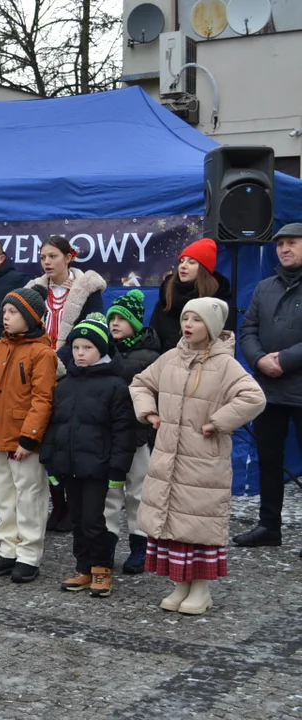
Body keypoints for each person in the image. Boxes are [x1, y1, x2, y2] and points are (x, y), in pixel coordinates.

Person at [130, 298, 266, 615]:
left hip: (204, 461)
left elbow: (253, 397)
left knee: (199, 525)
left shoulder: (225, 365)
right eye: (185, 318)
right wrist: (149, 413)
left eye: (197, 320)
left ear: (213, 327)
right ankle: (180, 585)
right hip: (169, 458)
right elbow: (140, 383)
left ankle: (201, 590)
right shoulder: (170, 359)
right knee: (173, 523)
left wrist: (218, 422)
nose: (188, 325)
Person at [40, 313, 137, 598]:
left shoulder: (115, 386)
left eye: (88, 348)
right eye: (77, 348)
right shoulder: (66, 385)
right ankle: (83, 566)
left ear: (102, 350)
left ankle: (101, 568)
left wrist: (118, 470)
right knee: (78, 519)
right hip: (70, 466)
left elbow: (124, 433)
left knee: (95, 520)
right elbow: (54, 426)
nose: (80, 354)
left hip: (98, 467)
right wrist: (51, 461)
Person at [0, 286, 57, 584]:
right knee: (3, 497)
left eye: (13, 312)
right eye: (4, 311)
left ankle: (29, 555)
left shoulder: (43, 353)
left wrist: (29, 437)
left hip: (23, 440)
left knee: (29, 495)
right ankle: (7, 549)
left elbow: (42, 399)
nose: (5, 317)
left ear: (30, 317)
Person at [27, 235, 106, 533]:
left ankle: (73, 506)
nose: (47, 262)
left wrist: (57, 361)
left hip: (72, 371)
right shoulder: (34, 289)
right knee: (46, 442)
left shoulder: (87, 289)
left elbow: (92, 329)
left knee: (68, 441)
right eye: (43, 257)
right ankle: (57, 504)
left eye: (52, 256)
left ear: (68, 257)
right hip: (40, 371)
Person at [236, 224, 302, 550]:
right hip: (269, 390)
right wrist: (260, 360)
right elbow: (247, 329)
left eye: (292, 243)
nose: (284, 249)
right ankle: (269, 527)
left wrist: (284, 360)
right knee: (269, 460)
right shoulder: (265, 287)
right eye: (280, 244)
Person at [104, 289, 162, 573]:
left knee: (138, 492)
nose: (114, 323)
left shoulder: (149, 354)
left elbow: (147, 389)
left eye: (122, 318)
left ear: (136, 323)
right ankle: (108, 544)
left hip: (138, 435)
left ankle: (140, 547)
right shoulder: (104, 349)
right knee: (109, 493)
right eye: (111, 317)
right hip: (110, 434)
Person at [150, 237, 232, 353]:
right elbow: (154, 341)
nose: (183, 266)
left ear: (204, 269)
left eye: (191, 262)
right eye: (182, 261)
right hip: (168, 365)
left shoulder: (217, 302)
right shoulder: (166, 297)